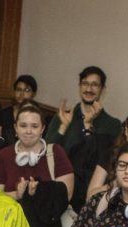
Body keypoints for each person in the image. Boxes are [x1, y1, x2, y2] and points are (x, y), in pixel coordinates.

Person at [45, 66, 122, 214]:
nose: (89, 89)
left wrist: (88, 126)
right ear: (79, 86)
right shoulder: (64, 116)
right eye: (85, 84)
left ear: (102, 90)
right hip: (60, 187)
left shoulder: (112, 124)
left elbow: (99, 159)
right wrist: (63, 127)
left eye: (94, 85)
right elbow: (48, 150)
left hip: (90, 193)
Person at [0, 74, 39, 145]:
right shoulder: (2, 114)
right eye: (19, 90)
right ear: (14, 92)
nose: (22, 94)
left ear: (33, 94)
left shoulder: (38, 115)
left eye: (27, 90)